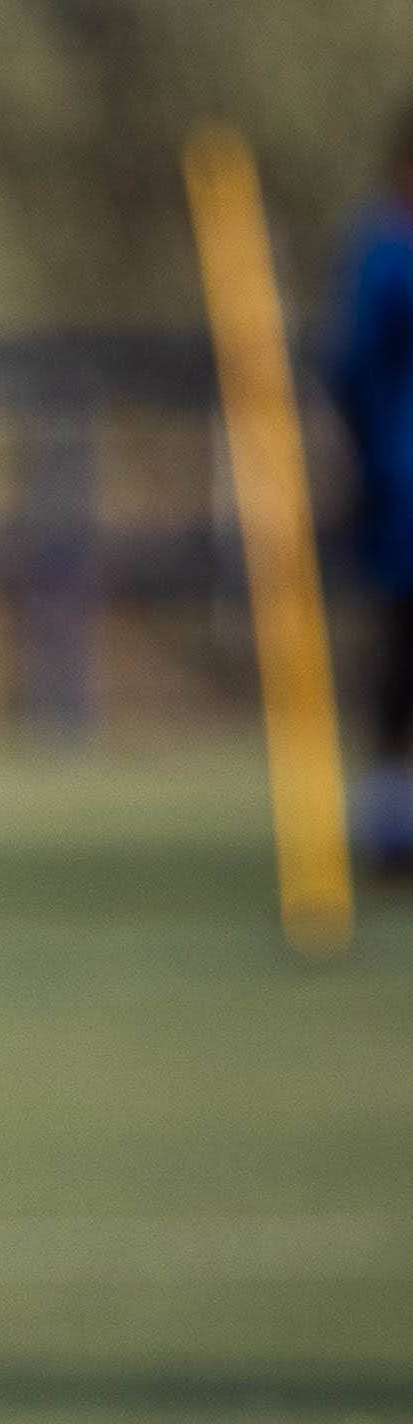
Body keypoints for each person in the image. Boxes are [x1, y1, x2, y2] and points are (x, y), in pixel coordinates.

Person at [336, 103, 413, 880]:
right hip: (404, 497)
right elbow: (355, 372)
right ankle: (392, 829)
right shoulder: (384, 255)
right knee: (397, 665)